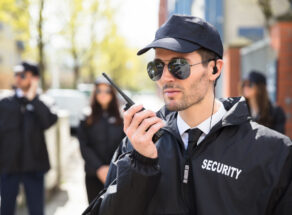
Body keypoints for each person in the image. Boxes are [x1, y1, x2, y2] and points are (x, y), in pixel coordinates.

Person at [83, 15, 292, 215]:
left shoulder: (273, 153)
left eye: (178, 65)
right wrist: (140, 164)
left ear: (214, 69)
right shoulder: (137, 144)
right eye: (156, 67)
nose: (165, 78)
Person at [0, 61, 57, 215]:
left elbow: (49, 121)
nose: (18, 78)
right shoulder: (3, 104)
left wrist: (33, 98)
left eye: (22, 75)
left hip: (34, 167)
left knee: (36, 211)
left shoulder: (44, 102)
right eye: (16, 74)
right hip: (8, 167)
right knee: (6, 210)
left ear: (34, 78)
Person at [77, 76, 125, 203]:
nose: (103, 94)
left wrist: (112, 168)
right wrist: (99, 168)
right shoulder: (86, 117)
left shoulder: (122, 118)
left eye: (107, 91)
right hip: (93, 173)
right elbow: (84, 145)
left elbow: (125, 145)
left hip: (117, 174)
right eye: (99, 91)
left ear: (112, 94)